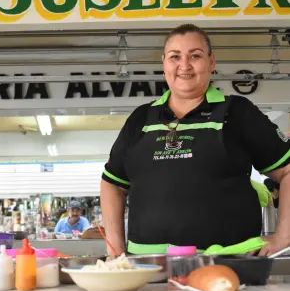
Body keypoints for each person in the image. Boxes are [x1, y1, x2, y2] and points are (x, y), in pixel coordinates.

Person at [101, 24, 290, 257]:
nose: (184, 65)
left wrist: (284, 237)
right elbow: (112, 183)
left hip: (226, 266)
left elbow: (287, 170)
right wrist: (115, 249)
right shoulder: (141, 118)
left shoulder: (238, 113)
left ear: (211, 62)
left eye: (195, 56)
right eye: (175, 57)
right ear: (164, 65)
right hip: (147, 269)